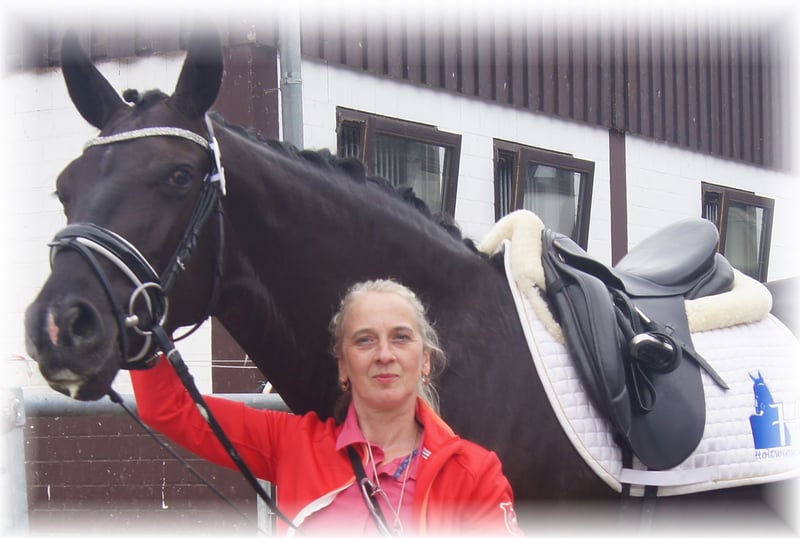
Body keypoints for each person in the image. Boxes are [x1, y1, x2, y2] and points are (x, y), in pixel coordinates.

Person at [131, 278, 523, 536]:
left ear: (425, 360)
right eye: (365, 340)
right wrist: (139, 318)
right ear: (343, 366)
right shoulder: (292, 444)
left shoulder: (475, 474)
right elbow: (168, 407)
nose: (384, 354)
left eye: (401, 338)